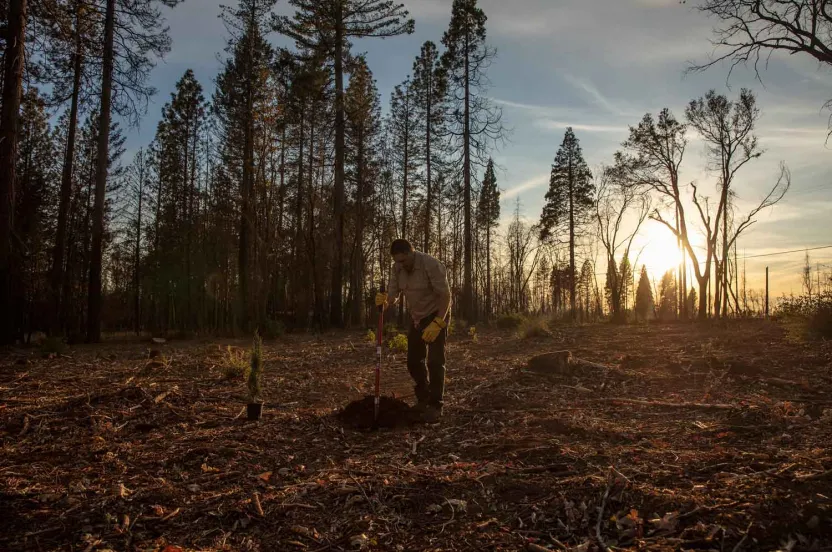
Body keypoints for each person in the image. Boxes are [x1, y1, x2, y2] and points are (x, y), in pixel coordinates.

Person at [375, 239, 452, 423]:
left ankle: (435, 405)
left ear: (412, 253)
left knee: (435, 361)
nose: (401, 265)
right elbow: (393, 296)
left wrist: (439, 323)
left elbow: (446, 296)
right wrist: (384, 302)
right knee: (413, 361)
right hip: (417, 317)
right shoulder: (397, 268)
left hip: (437, 313)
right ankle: (423, 398)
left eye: (403, 261)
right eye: (397, 261)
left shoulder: (431, 264)